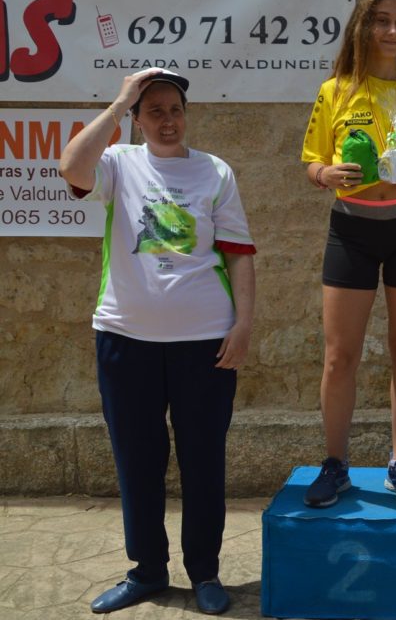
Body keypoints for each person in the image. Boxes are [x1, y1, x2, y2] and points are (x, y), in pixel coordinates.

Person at [59, 69, 256, 615]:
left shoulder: (215, 171)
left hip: (204, 344)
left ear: (186, 115)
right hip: (125, 340)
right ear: (138, 120)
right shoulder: (118, 164)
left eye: (175, 110)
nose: (167, 121)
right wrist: (119, 102)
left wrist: (243, 325)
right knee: (138, 461)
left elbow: (239, 253)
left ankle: (206, 573)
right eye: (154, 111)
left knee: (203, 462)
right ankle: (146, 570)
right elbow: (70, 167)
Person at [300, 0, 396, 508]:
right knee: (339, 356)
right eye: (381, 21)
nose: (391, 31)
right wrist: (327, 173)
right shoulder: (335, 91)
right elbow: (312, 163)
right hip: (352, 229)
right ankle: (335, 463)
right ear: (363, 27)